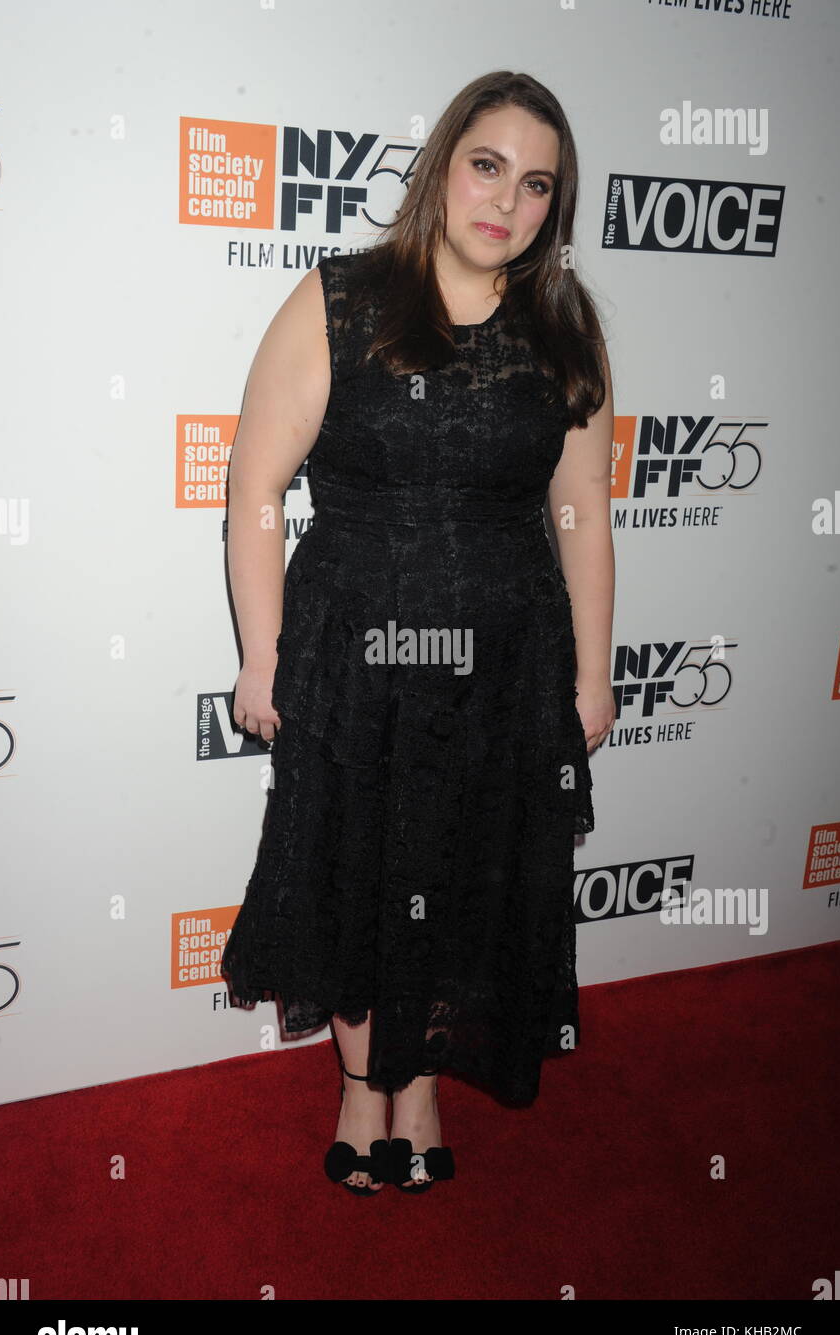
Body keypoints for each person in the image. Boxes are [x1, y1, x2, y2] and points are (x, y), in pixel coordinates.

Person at [221, 70, 616, 1195]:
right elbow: (254, 491)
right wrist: (262, 651)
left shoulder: (560, 328)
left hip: (506, 661)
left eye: (537, 184)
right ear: (443, 166)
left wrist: (593, 674)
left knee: (466, 868)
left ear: (555, 206)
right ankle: (361, 1088)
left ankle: (425, 1080)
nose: (508, 200)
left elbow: (582, 518)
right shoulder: (341, 300)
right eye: (488, 165)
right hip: (354, 649)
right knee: (354, 867)